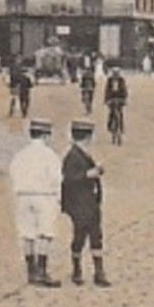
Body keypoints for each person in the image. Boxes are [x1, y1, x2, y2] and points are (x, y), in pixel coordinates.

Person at [8, 118, 62, 288]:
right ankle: (42, 271)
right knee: (45, 233)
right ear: (46, 135)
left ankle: (31, 272)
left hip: (23, 196)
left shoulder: (21, 155)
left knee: (27, 234)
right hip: (44, 195)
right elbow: (56, 178)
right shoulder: (49, 155)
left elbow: (13, 173)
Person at [61, 120, 110, 287]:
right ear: (87, 137)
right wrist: (89, 174)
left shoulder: (82, 153)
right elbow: (69, 179)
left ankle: (99, 272)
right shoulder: (72, 156)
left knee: (96, 236)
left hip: (91, 202)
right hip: (80, 204)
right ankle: (77, 270)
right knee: (80, 236)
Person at [103, 64, 128, 137]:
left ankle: (121, 127)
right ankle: (110, 125)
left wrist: (124, 99)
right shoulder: (109, 80)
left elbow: (124, 90)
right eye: (114, 73)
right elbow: (107, 90)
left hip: (120, 98)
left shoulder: (121, 80)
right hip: (111, 98)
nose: (116, 75)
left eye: (117, 73)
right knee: (111, 112)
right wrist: (106, 99)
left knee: (120, 113)